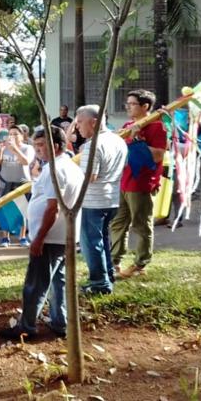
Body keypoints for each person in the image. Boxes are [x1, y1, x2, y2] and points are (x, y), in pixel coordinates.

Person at [0, 126, 83, 342]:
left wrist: (39, 238)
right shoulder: (63, 166)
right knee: (58, 281)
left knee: (36, 283)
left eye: (41, 145)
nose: (37, 150)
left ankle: (26, 326)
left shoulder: (57, 169)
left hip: (51, 237)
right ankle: (59, 321)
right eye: (35, 145)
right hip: (62, 236)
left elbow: (52, 208)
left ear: (55, 146)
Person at [111, 90, 167, 279]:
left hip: (142, 182)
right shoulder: (128, 126)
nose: (128, 107)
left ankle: (140, 264)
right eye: (127, 103)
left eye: (132, 104)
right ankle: (113, 261)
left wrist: (136, 141)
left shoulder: (156, 126)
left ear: (145, 107)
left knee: (141, 224)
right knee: (118, 223)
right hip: (124, 181)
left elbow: (158, 155)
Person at [74, 105, 127, 295]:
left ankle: (99, 283)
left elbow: (89, 176)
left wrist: (71, 175)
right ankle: (107, 275)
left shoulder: (93, 144)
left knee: (91, 243)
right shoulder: (118, 140)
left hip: (93, 201)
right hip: (111, 198)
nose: (77, 127)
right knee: (102, 239)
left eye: (80, 122)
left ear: (94, 122)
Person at [0, 125, 36, 245]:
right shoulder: (4, 147)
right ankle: (5, 237)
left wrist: (15, 149)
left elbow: (26, 161)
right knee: (5, 209)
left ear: (22, 136)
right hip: (5, 182)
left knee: (22, 210)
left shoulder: (28, 148)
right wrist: (0, 150)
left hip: (22, 182)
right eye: (10, 134)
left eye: (15, 134)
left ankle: (22, 236)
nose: (12, 136)